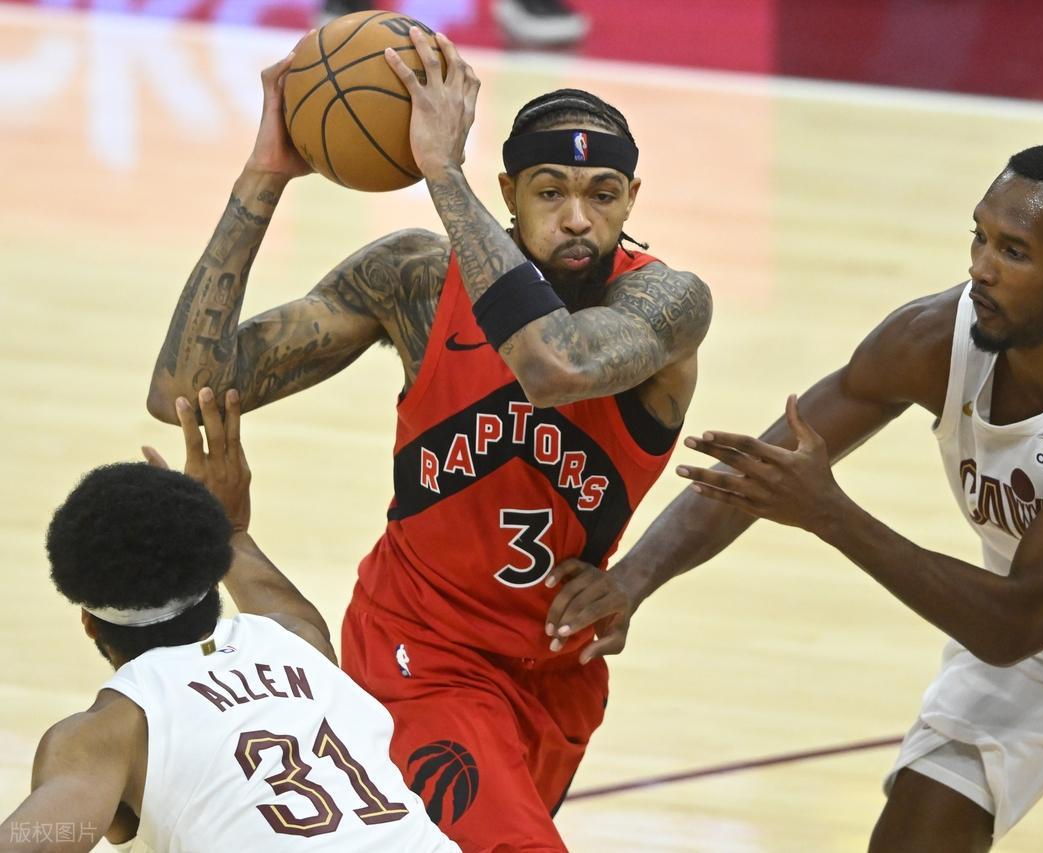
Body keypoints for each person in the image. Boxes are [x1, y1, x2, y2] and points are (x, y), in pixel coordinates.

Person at [543, 144, 1043, 850]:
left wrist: (830, 514)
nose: (981, 268)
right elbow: (765, 472)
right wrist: (631, 580)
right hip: (1042, 628)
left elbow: (1012, 626)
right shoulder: (930, 338)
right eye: (979, 237)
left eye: (1014, 252)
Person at [145, 31, 710, 852]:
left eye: (603, 193)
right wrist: (264, 175)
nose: (577, 218)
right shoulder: (416, 279)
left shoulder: (666, 304)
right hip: (419, 653)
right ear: (508, 192)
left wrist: (443, 171)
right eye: (550, 191)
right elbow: (181, 389)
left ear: (632, 200)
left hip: (558, 675)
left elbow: (555, 364)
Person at [1, 389, 459, 852]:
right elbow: (272, 590)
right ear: (212, 581)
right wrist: (228, 527)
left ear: (89, 622)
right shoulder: (297, 639)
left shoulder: (109, 733)